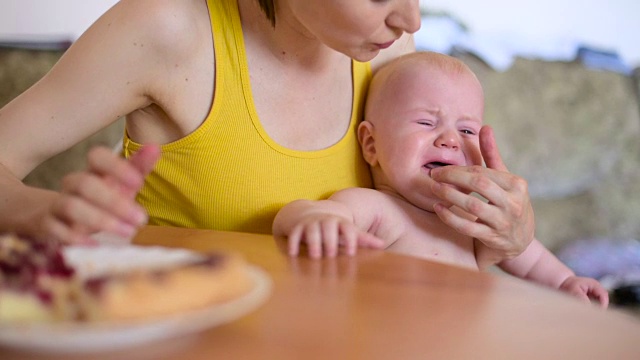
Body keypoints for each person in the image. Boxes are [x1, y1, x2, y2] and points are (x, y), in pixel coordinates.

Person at [0, 0, 530, 264]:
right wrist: (41, 213)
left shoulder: (387, 53)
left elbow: (414, 227)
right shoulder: (164, 27)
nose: (411, 20)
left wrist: (511, 232)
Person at [273, 51, 609, 308]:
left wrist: (567, 282)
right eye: (426, 123)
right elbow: (303, 214)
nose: (451, 141)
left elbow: (528, 256)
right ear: (371, 144)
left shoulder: (469, 220)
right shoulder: (378, 209)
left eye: (466, 130)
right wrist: (315, 219)